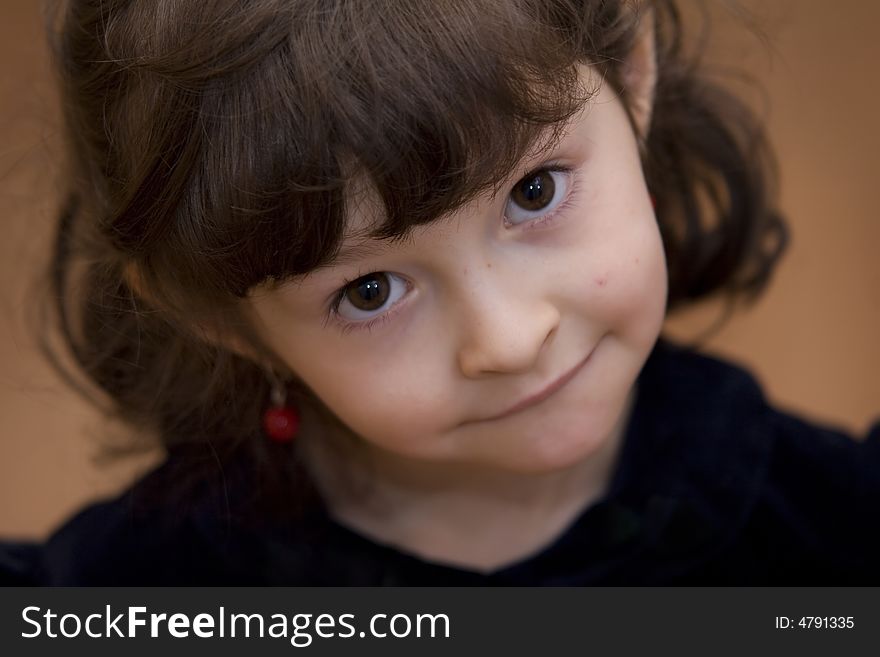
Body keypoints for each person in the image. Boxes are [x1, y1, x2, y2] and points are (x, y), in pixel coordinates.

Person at [1, 0, 878, 585]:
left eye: (534, 192)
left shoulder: (836, 532)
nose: (508, 337)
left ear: (632, 75)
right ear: (218, 319)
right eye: (370, 288)